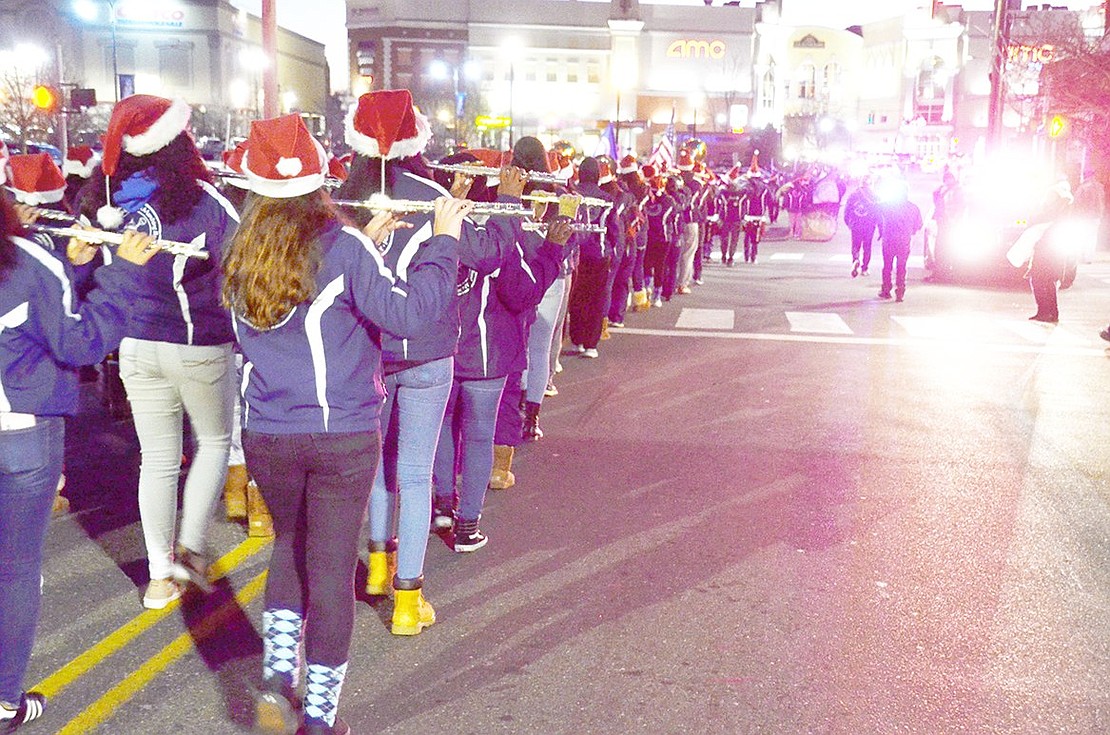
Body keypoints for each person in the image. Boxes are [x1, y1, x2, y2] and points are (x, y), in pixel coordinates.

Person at [223, 113, 464, 735]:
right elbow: (408, 313)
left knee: (289, 544)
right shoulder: (342, 244)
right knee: (330, 567)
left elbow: (306, 293)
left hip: (268, 431)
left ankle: (280, 678)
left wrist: (368, 246)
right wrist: (442, 241)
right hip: (340, 433)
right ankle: (320, 719)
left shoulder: (238, 246)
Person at [0, 194, 156, 732]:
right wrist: (120, 275)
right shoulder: (24, 260)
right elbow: (79, 342)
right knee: (16, 570)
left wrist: (70, 264)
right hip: (21, 430)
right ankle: (3, 701)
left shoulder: (35, 261)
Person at [82, 94, 241, 609]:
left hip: (134, 344)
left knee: (157, 459)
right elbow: (242, 266)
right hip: (198, 344)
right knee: (215, 442)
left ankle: (158, 575)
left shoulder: (107, 200)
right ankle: (190, 548)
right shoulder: (201, 200)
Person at [566, 156, 618, 358]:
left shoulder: (572, 195)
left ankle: (577, 339)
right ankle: (590, 344)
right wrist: (615, 250)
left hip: (575, 253)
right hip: (599, 253)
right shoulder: (607, 199)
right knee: (596, 299)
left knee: (577, 298)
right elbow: (614, 230)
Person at [1025, 181, 1075, 323]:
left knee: (1040, 280)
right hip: (1052, 251)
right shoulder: (1063, 210)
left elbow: (1033, 221)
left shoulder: (1050, 212)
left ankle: (1045, 311)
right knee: (1048, 281)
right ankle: (1050, 312)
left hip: (1046, 251)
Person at [877, 182, 923, 302]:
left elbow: (875, 209)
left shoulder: (887, 205)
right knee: (901, 267)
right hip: (904, 242)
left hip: (889, 240)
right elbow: (918, 225)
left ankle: (886, 289)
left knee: (887, 266)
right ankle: (900, 291)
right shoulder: (913, 208)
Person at [843, 177, 881, 277]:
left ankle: (855, 259)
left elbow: (847, 210)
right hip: (869, 225)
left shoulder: (853, 195)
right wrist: (880, 227)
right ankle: (865, 268)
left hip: (856, 224)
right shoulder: (875, 196)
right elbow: (879, 213)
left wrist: (848, 222)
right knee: (867, 247)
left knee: (855, 245)